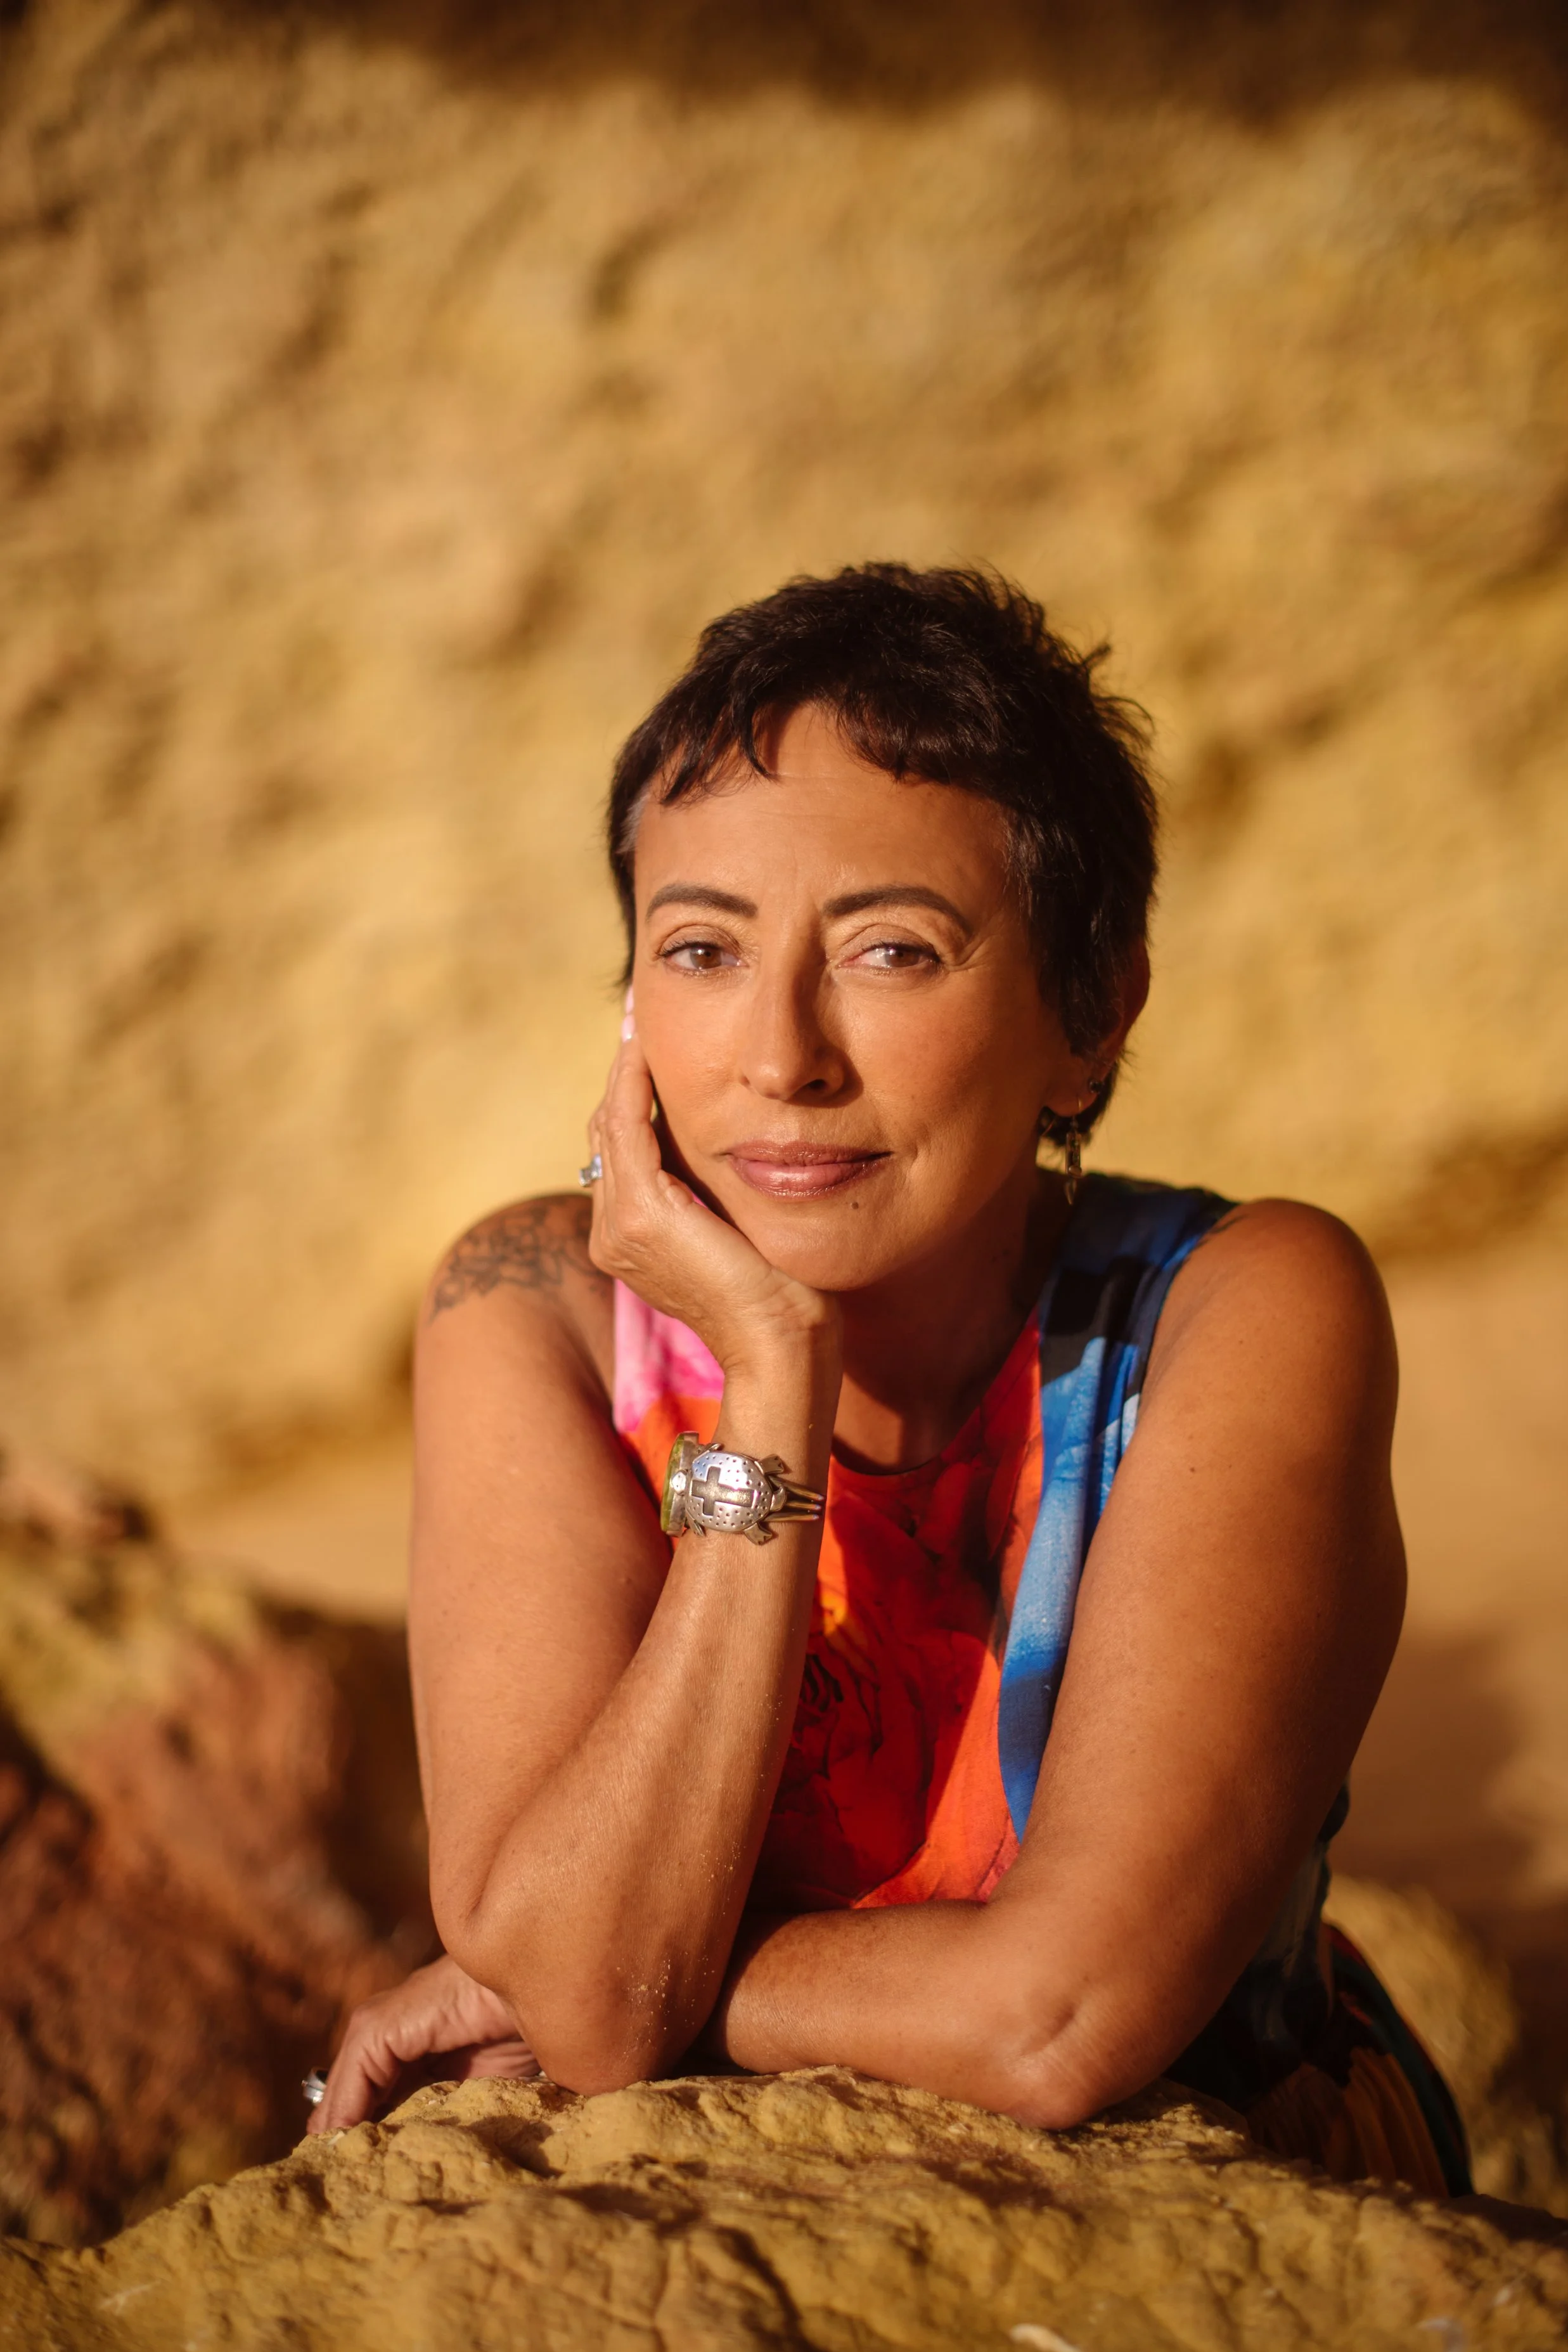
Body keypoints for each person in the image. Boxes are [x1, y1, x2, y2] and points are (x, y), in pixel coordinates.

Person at [307, 564, 1468, 2194]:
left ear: (1090, 1009)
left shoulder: (1237, 1308)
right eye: (700, 948)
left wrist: (618, 1976)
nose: (781, 1056)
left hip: (1220, 2221)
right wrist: (773, 1368)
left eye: (891, 951)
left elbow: (1056, 2021)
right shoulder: (538, 1309)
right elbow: (588, 1987)